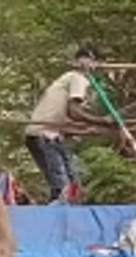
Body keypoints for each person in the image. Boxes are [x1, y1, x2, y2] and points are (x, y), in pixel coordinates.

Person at [25, 47, 113, 203]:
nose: (87, 62)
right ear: (76, 62)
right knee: (64, 187)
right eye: (84, 58)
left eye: (91, 59)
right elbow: (74, 112)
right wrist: (101, 121)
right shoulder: (77, 78)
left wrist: (87, 129)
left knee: (72, 183)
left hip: (43, 134)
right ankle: (62, 216)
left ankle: (61, 212)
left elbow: (66, 118)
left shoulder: (67, 80)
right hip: (45, 134)